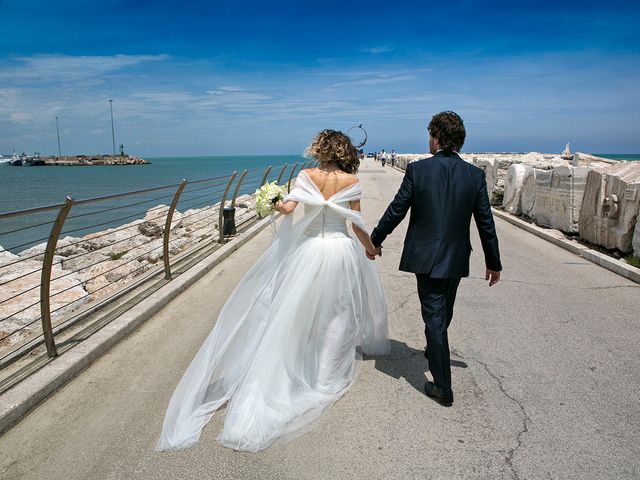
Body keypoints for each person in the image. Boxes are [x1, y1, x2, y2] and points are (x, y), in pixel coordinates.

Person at [155, 129, 390, 453]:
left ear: (320, 149)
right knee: (338, 315)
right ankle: (325, 377)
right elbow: (356, 224)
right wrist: (371, 248)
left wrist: (271, 200)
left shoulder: (306, 176)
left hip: (309, 251)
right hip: (339, 251)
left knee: (299, 311)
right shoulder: (352, 182)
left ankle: (298, 367)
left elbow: (287, 210)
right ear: (346, 151)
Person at [369, 111, 502, 407]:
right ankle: (435, 347)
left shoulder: (418, 171)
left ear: (437, 138)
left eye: (430, 135)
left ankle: (443, 388)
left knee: (434, 315)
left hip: (425, 258)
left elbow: (396, 210)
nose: (429, 141)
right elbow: (485, 222)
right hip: (456, 258)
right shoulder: (475, 175)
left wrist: (374, 240)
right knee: (443, 310)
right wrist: (494, 262)